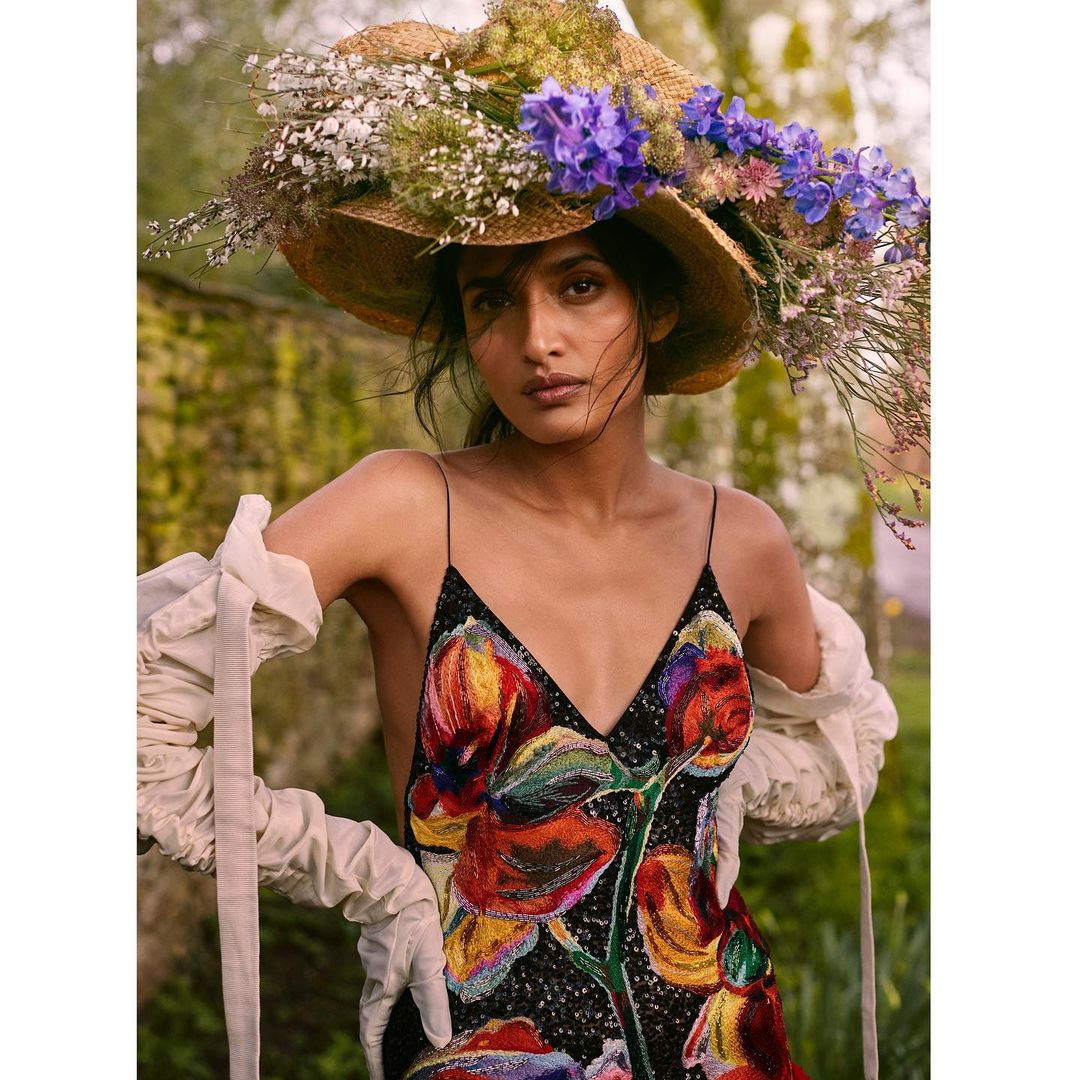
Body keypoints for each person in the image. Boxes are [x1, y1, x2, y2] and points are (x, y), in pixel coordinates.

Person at [138, 3, 922, 1078]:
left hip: (725, 1043)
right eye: (491, 299)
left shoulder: (739, 539)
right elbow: (129, 720)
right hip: (485, 1052)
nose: (537, 340)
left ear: (651, 308)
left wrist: (704, 793)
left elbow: (839, 760)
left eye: (581, 285)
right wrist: (373, 877)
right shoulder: (405, 509)